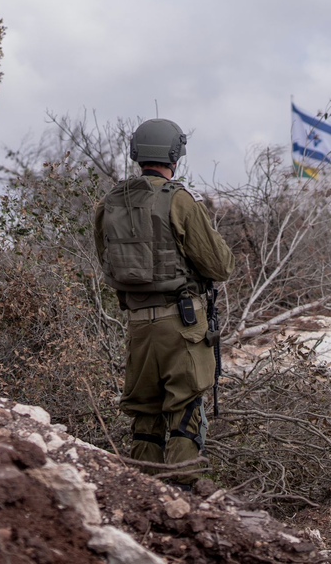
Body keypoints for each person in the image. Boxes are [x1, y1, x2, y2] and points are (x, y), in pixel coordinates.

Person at [93, 118, 234, 489]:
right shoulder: (179, 199)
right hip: (182, 324)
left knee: (144, 413)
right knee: (185, 407)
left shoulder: (110, 203)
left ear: (137, 153)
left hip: (138, 325)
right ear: (175, 155)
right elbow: (220, 266)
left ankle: (144, 494)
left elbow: (105, 259)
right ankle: (182, 494)